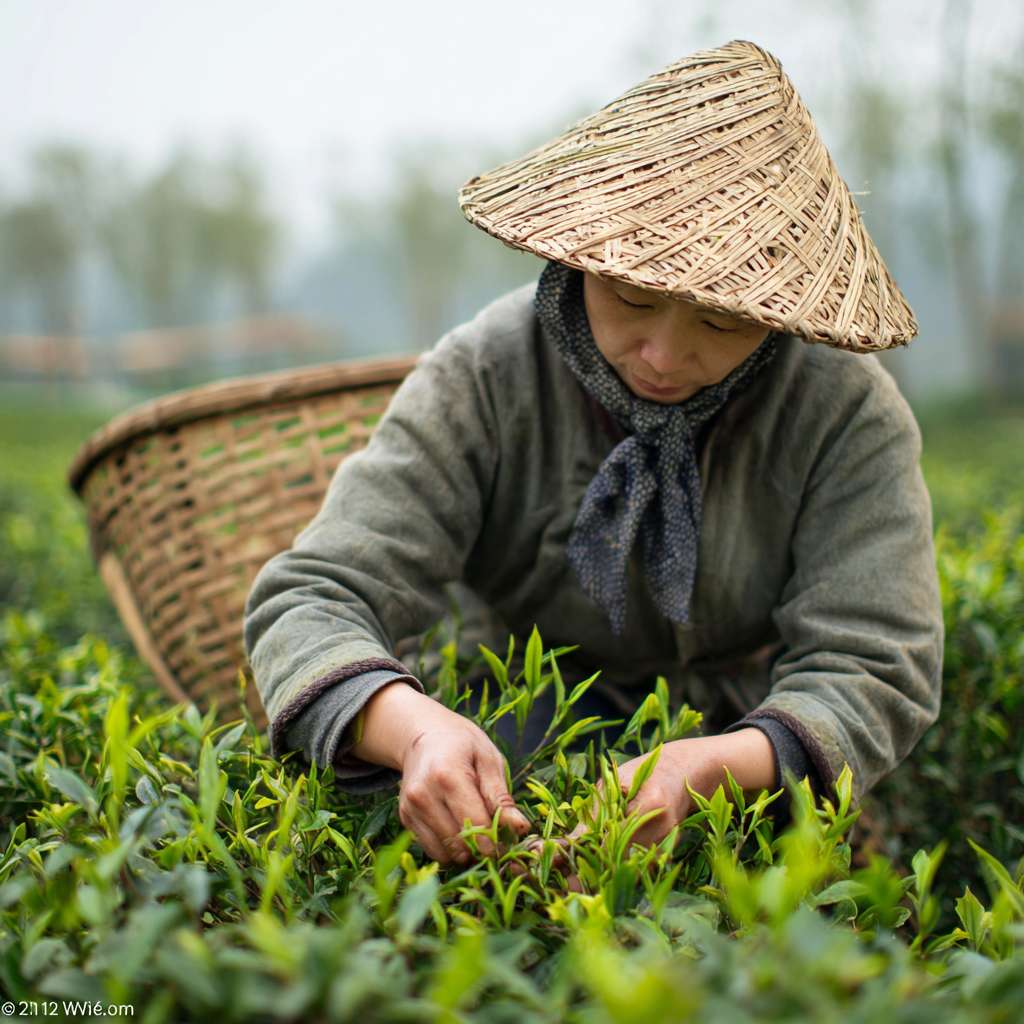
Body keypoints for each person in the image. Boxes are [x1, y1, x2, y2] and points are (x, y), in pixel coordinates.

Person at [243, 39, 943, 868]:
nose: (663, 356)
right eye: (634, 297)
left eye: (722, 321)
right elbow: (312, 596)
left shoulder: (843, 410)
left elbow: (875, 661)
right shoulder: (487, 374)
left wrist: (721, 765)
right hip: (506, 729)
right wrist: (416, 729)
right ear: (579, 258)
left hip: (744, 755)